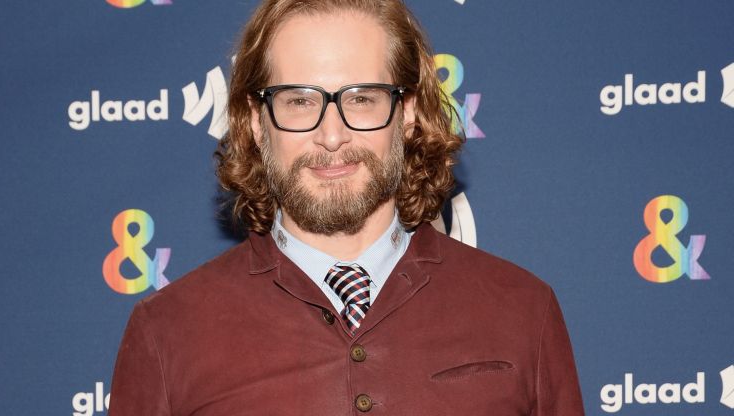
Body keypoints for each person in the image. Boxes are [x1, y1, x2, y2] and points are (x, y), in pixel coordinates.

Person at [109, 0, 585, 414]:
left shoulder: (522, 310)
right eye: (298, 101)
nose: (331, 136)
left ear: (409, 112)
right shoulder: (168, 332)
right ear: (256, 122)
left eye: (361, 99)